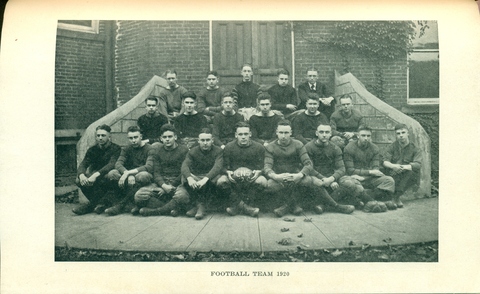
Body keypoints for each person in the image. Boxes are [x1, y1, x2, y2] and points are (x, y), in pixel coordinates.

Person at [264, 120, 353, 217]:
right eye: (281, 132)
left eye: (286, 133)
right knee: (269, 185)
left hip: (296, 175)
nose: (284, 136)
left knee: (315, 182)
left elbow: (308, 164)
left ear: (291, 133)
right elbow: (267, 166)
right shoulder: (270, 147)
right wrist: (275, 176)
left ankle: (335, 206)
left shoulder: (298, 144)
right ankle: (291, 206)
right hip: (279, 176)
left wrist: (300, 175)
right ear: (276, 132)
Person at [305, 124, 373, 210]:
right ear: (316, 133)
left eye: (327, 132)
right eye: (321, 132)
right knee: (316, 183)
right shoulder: (309, 147)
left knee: (350, 183)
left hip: (331, 177)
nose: (324, 135)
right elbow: (309, 168)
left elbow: (341, 169)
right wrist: (326, 180)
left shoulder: (335, 148)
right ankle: (339, 205)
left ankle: (324, 206)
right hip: (316, 177)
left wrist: (332, 178)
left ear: (330, 134)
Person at [134, 124, 191, 216]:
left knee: (182, 197)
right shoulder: (157, 150)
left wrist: (171, 186)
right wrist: (163, 186)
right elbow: (156, 172)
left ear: (175, 137)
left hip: (177, 183)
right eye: (164, 137)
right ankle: (172, 208)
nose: (167, 139)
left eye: (170, 136)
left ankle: (156, 211)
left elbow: (184, 171)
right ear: (161, 138)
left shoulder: (184, 150)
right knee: (139, 196)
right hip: (161, 183)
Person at [217, 122, 267, 217]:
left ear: (250, 134)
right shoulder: (229, 147)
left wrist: (259, 172)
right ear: (236, 135)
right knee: (221, 181)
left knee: (262, 182)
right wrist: (227, 172)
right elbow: (222, 166)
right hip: (234, 177)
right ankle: (245, 207)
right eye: (240, 134)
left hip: (252, 177)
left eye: (246, 134)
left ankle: (240, 206)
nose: (243, 137)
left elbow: (265, 165)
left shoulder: (259, 147)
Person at [104, 126, 155, 215]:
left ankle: (121, 205)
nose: (133, 140)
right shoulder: (126, 148)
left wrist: (128, 173)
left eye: (136, 137)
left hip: (146, 177)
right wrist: (127, 174)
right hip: (130, 175)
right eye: (131, 138)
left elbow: (149, 167)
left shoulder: (149, 148)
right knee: (112, 173)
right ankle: (118, 202)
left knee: (142, 175)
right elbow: (118, 164)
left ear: (141, 137)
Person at [343, 126, 397, 210]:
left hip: (368, 178)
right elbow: (350, 170)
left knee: (389, 180)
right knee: (350, 183)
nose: (366, 138)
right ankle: (376, 201)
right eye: (363, 135)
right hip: (354, 177)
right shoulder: (349, 148)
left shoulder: (374, 148)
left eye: (368, 136)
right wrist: (370, 172)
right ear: (358, 136)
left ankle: (365, 200)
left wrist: (367, 175)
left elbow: (375, 169)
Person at [72, 124, 121, 215]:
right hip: (96, 178)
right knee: (78, 180)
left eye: (103, 135)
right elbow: (83, 164)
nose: (100, 138)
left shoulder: (116, 148)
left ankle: (93, 205)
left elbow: (111, 164)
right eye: (98, 135)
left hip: (108, 177)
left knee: (113, 174)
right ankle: (98, 204)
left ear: (109, 136)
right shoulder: (92, 150)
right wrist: (81, 175)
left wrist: (95, 175)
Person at [181, 128, 224, 220]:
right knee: (184, 177)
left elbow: (218, 167)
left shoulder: (218, 151)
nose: (205, 143)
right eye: (202, 140)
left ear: (212, 140)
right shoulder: (192, 151)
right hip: (197, 177)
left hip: (210, 177)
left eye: (208, 140)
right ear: (198, 141)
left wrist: (205, 179)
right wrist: (190, 178)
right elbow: (185, 165)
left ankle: (200, 207)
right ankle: (199, 206)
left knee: (218, 178)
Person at [383, 124, 422, 208]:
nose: (401, 135)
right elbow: (385, 161)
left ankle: (396, 197)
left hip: (406, 173)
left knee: (412, 173)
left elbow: (417, 164)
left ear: (408, 133)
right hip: (394, 172)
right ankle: (391, 197)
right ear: (396, 135)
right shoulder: (392, 147)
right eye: (398, 133)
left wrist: (403, 167)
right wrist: (393, 166)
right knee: (384, 170)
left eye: (403, 132)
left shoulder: (415, 148)